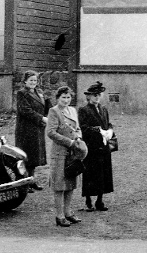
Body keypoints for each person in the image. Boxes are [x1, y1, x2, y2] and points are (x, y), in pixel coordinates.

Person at [46, 86, 84, 227]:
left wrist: (78, 137)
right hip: (59, 153)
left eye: (68, 97)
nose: (66, 100)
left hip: (72, 153)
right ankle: (59, 215)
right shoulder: (54, 111)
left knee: (70, 184)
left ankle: (68, 213)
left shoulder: (73, 110)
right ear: (58, 98)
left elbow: (78, 128)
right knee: (59, 185)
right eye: (63, 97)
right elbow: (51, 132)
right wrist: (69, 142)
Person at [78, 81, 114, 212]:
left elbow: (108, 123)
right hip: (91, 146)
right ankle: (88, 199)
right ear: (88, 97)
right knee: (90, 173)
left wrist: (109, 130)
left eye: (99, 95)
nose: (97, 97)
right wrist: (98, 130)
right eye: (94, 95)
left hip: (103, 146)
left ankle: (100, 200)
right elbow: (83, 127)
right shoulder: (84, 110)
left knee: (103, 173)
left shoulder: (103, 109)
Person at [15, 70, 50, 191]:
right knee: (26, 156)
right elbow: (25, 110)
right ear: (25, 81)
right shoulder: (21, 93)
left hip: (37, 128)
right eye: (31, 80)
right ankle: (24, 182)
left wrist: (47, 115)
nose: (33, 83)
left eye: (35, 80)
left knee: (35, 156)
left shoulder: (38, 92)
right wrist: (42, 118)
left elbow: (45, 106)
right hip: (25, 129)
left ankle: (32, 180)